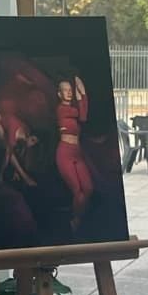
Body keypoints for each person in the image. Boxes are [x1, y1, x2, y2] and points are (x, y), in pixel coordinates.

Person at [55, 75, 93, 231]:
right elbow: (81, 114)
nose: (69, 92)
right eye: (65, 90)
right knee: (78, 191)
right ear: (59, 94)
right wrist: (82, 95)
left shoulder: (73, 111)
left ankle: (78, 219)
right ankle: (76, 222)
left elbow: (83, 116)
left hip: (77, 153)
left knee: (88, 189)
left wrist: (82, 95)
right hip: (64, 153)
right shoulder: (62, 110)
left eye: (70, 90)